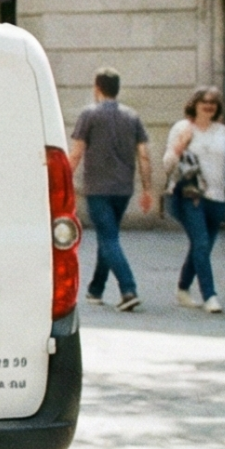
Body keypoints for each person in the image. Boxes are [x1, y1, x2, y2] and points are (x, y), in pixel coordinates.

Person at [70, 67, 153, 311]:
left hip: (97, 187)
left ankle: (128, 289)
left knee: (108, 238)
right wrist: (147, 189)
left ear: (97, 87)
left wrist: (59, 177)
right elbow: (144, 155)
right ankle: (95, 289)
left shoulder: (89, 114)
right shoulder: (132, 116)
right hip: (123, 188)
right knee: (109, 238)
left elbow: (76, 153)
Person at [164, 86, 225, 313]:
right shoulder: (182, 128)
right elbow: (167, 163)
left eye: (213, 102)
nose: (209, 105)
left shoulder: (222, 132)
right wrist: (180, 146)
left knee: (201, 247)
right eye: (204, 101)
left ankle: (182, 288)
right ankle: (210, 296)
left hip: (217, 196)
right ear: (195, 104)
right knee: (201, 243)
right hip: (189, 196)